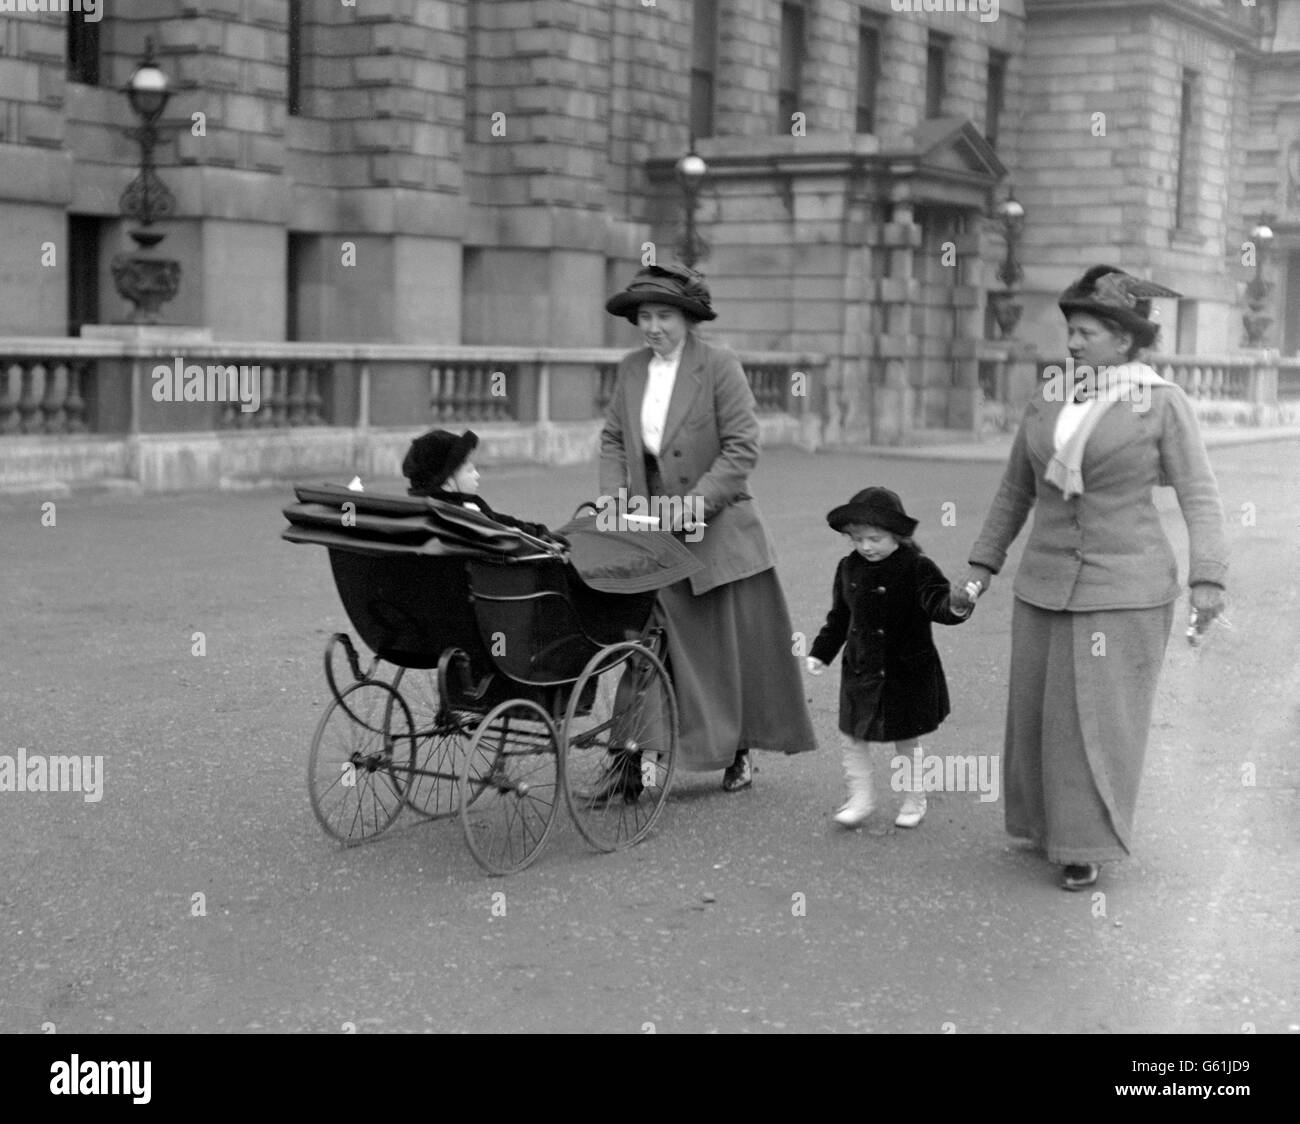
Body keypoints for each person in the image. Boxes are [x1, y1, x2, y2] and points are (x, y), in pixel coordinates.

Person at [952, 265, 1228, 890]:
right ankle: (1046, 826)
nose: (1073, 343)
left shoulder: (1161, 403)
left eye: (1088, 332)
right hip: (1044, 582)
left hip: (1125, 587)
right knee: (1039, 714)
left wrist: (1207, 576)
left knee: (1097, 720)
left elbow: (1200, 495)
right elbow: (1014, 492)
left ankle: (1086, 845)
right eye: (1070, 331)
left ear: (1126, 340)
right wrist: (980, 567)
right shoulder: (1051, 395)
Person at [593, 263, 816, 794]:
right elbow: (612, 442)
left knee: (726, 654)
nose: (653, 326)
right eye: (644, 316)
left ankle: (738, 751)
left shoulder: (719, 366)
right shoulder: (630, 369)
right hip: (650, 531)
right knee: (645, 641)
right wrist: (613, 499)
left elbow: (742, 448)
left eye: (664, 316)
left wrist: (692, 506)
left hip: (717, 533)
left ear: (688, 319)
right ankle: (629, 760)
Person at [805, 487, 973, 829]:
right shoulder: (848, 568)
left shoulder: (916, 566)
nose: (865, 546)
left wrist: (957, 604)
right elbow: (839, 617)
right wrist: (821, 652)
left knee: (905, 737)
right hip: (861, 669)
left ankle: (914, 798)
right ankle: (861, 797)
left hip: (904, 670)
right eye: (857, 539)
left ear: (896, 536)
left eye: (875, 538)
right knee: (852, 737)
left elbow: (937, 603)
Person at [401, 428, 555, 540]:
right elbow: (502, 527)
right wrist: (539, 534)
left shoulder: (419, 516)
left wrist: (535, 530)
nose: (477, 474)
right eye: (469, 470)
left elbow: (499, 520)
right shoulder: (468, 513)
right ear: (448, 483)